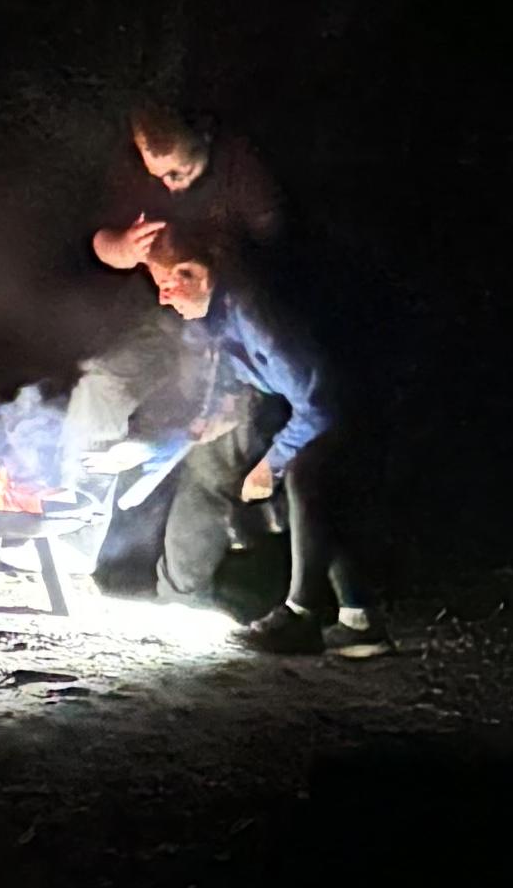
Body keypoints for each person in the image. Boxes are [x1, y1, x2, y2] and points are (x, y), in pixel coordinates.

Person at [82, 105, 381, 649]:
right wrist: (189, 430)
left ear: (194, 272)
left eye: (167, 286)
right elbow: (223, 379)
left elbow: (318, 404)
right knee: (301, 488)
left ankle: (302, 615)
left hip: (349, 395)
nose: (163, 300)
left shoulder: (256, 310)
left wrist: (271, 462)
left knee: (304, 479)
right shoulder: (210, 314)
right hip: (303, 396)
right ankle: (359, 622)